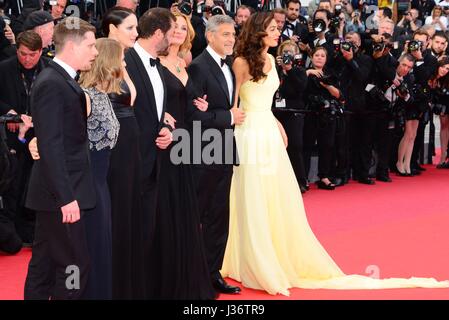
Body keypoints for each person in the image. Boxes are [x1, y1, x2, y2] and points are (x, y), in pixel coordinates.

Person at [220, 11, 449, 296]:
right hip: (250, 134)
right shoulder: (241, 62)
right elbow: (233, 103)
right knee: (250, 195)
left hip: (268, 131)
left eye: (278, 28)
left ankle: (270, 253)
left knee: (273, 197)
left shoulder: (270, 60)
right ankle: (250, 256)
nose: (278, 32)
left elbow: (266, 102)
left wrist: (275, 122)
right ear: (258, 32)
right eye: (272, 28)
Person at [23, 17, 98, 300]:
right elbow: (51, 146)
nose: (94, 51)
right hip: (61, 196)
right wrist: (66, 197)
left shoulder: (60, 79)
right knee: (74, 266)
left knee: (44, 263)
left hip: (54, 193)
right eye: (90, 45)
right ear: (71, 45)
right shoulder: (53, 83)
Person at [147, 12, 215, 299]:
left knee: (187, 214)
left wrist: (199, 106)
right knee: (166, 213)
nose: (178, 31)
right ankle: (163, 283)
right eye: (173, 27)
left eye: (183, 27)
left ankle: (186, 282)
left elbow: (187, 106)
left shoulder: (184, 62)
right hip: (165, 146)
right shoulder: (154, 62)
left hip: (185, 145)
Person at [187, 14, 244, 295]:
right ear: (210, 36)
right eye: (225, 34)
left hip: (224, 153)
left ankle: (213, 273)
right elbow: (194, 116)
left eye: (232, 34)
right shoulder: (198, 67)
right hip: (203, 154)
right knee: (200, 217)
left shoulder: (229, 66)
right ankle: (193, 275)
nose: (231, 39)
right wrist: (228, 116)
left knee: (219, 219)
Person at [124, 7, 175, 299]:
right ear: (158, 34)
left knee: (147, 235)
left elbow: (153, 114)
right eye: (170, 33)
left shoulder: (159, 65)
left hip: (155, 165)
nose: (172, 39)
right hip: (130, 166)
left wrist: (165, 130)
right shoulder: (125, 61)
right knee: (129, 237)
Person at [101, 6, 144, 300]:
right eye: (130, 28)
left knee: (128, 211)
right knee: (115, 213)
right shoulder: (101, 59)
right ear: (112, 29)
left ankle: (126, 283)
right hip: (113, 149)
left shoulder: (124, 59)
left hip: (131, 145)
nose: (136, 33)